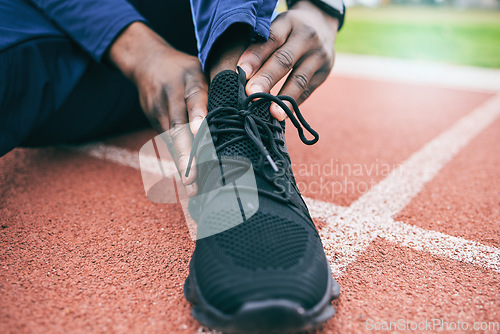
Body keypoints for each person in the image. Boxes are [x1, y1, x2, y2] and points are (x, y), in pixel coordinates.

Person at [0, 0, 345, 331]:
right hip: (80, 41)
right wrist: (140, 52)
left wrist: (322, 8)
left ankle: (233, 120)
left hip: (204, 32)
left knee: (233, 55)